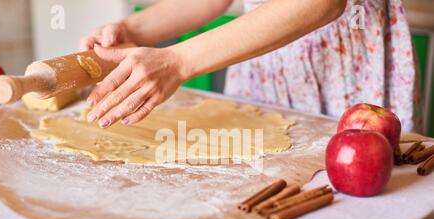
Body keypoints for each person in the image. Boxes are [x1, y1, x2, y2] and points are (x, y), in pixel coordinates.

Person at [81, 0, 419, 132]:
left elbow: (323, 3)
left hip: (348, 75)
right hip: (262, 69)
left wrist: (177, 61)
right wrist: (133, 30)